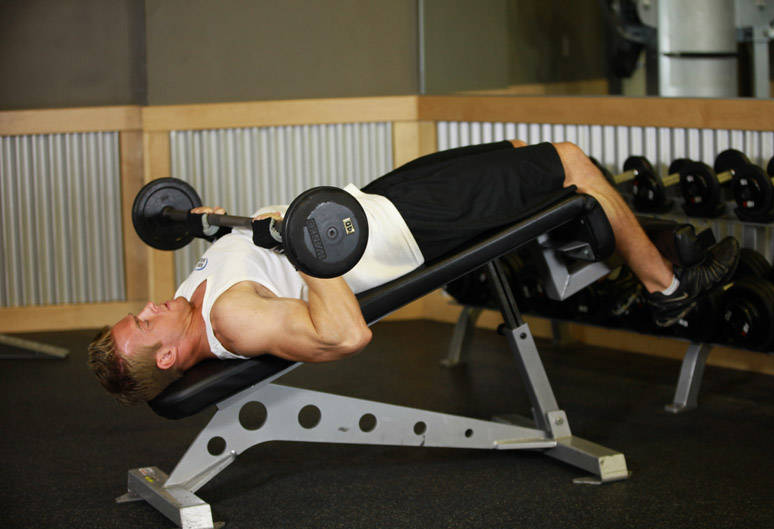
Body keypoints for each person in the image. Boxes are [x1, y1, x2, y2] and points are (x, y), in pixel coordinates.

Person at [89, 140, 740, 405]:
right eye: (143, 326)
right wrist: (300, 244)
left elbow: (247, 250)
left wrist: (205, 223)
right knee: (567, 163)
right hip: (408, 230)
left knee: (519, 154)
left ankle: (619, 253)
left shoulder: (190, 304)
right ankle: (667, 289)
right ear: (171, 355)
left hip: (373, 203)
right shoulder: (234, 318)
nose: (147, 309)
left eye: (136, 314)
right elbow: (345, 334)